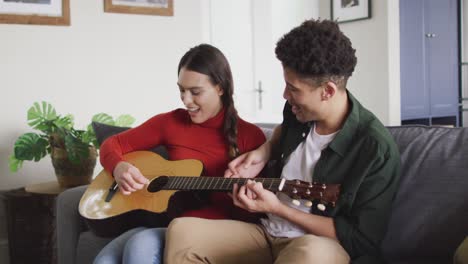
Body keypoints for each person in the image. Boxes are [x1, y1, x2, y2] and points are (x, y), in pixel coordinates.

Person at [164, 19, 401, 264]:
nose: (285, 95)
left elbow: (359, 239)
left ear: (327, 91)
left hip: (318, 244)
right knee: (183, 232)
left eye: (293, 88)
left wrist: (278, 208)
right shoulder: (298, 112)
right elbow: (283, 131)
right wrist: (263, 152)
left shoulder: (376, 149)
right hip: (267, 234)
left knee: (312, 255)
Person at [93, 44, 266, 264]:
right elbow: (112, 144)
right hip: (168, 221)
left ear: (220, 87)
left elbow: (254, 215)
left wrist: (239, 200)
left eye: (195, 92)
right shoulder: (170, 123)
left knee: (140, 247)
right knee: (103, 261)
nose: (186, 100)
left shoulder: (251, 137)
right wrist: (119, 166)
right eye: (181, 90)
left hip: (206, 232)